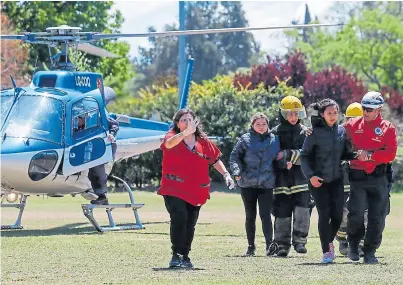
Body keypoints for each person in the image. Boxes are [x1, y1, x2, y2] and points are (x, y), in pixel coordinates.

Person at [158, 108, 235, 269]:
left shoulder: (203, 141)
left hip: (196, 189)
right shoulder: (172, 136)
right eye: (183, 120)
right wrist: (184, 134)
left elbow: (215, 159)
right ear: (177, 124)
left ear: (195, 122)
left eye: (189, 119)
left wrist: (226, 175)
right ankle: (176, 255)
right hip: (174, 187)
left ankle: (185, 255)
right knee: (179, 218)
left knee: (190, 224)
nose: (186, 122)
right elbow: (168, 144)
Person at [300, 98, 357, 264]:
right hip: (318, 181)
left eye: (335, 113)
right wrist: (311, 176)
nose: (333, 116)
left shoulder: (341, 131)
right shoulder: (314, 132)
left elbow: (345, 154)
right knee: (324, 215)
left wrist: (356, 154)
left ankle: (329, 241)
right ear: (322, 114)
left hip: (336, 179)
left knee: (338, 216)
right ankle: (326, 250)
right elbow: (304, 156)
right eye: (329, 113)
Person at [345, 91, 397, 264]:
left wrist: (370, 155)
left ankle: (369, 252)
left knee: (377, 217)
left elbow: (390, 153)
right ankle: (352, 244)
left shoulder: (387, 127)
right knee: (356, 213)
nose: (365, 112)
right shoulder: (351, 125)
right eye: (363, 108)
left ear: (379, 109)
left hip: (379, 178)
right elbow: (339, 143)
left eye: (369, 109)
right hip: (358, 177)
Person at [229, 112, 280, 257]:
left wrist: (284, 162)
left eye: (264, 124)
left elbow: (279, 157)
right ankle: (251, 246)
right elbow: (234, 157)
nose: (261, 127)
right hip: (247, 184)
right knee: (250, 215)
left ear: (268, 125)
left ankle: (270, 246)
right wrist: (236, 171)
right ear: (252, 125)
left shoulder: (274, 139)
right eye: (258, 124)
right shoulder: (244, 139)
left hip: (267, 184)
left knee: (265, 215)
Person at [270, 96, 311, 257]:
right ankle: (281, 244)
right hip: (281, 180)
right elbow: (272, 156)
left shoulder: (306, 132)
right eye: (290, 114)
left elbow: (308, 155)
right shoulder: (274, 133)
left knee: (303, 210)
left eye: (296, 113)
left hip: (301, 179)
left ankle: (300, 242)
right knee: (282, 212)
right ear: (282, 114)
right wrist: (281, 163)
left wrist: (288, 154)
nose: (293, 117)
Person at [335, 102, 365, 256]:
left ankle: (358, 244)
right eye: (351, 119)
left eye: (357, 119)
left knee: (362, 213)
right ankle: (341, 239)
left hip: (362, 180)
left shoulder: (368, 134)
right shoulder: (340, 134)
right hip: (344, 181)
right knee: (345, 214)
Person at [76, 113, 119, 205]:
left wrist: (111, 134)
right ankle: (101, 196)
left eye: (79, 118)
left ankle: (102, 196)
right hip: (94, 148)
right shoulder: (81, 126)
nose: (78, 121)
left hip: (105, 147)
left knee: (96, 170)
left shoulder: (97, 116)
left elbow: (114, 124)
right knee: (92, 174)